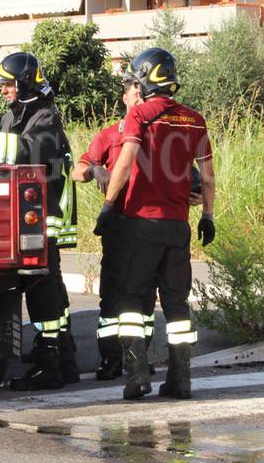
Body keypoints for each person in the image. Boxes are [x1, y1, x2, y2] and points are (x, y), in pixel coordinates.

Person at [94, 47, 216, 400]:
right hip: (178, 228)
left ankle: (137, 378)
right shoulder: (195, 120)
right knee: (177, 306)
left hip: (140, 224)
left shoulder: (140, 116)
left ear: (145, 79)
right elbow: (207, 176)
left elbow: (126, 163)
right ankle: (181, 380)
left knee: (132, 301)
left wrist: (107, 204)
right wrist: (208, 215)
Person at [73, 79, 203, 381]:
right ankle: (109, 361)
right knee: (112, 299)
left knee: (142, 301)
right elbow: (76, 171)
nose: (141, 100)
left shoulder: (163, 132)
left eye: (142, 95)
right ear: (126, 100)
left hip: (147, 229)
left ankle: (138, 363)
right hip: (117, 228)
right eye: (136, 96)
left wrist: (193, 197)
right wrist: (95, 169)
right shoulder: (110, 135)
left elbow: (189, 180)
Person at [0, 52, 79, 390]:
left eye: (8, 84)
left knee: (42, 291)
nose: (4, 91)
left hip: (47, 220)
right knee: (51, 288)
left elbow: (25, 151)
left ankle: (49, 366)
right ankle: (64, 359)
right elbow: (2, 125)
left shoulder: (46, 118)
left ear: (23, 83)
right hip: (36, 223)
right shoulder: (22, 113)